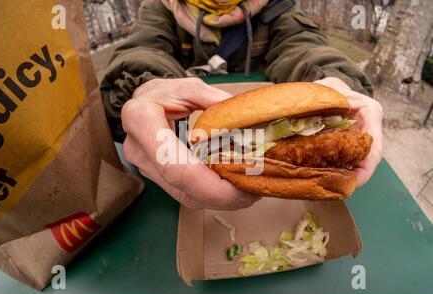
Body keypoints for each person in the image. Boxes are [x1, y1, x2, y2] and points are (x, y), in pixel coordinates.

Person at [100, 0, 383, 210]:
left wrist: (337, 81)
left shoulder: (281, 10)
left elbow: (303, 47)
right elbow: (144, 50)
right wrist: (143, 88)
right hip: (176, 160)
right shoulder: (159, 9)